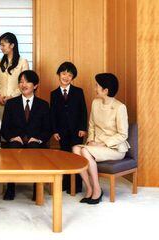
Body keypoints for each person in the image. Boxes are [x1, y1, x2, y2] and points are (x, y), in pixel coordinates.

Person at [72, 73, 129, 204]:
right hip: (96, 144)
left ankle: (97, 190)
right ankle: (90, 188)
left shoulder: (120, 107)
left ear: (106, 90)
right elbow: (91, 125)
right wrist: (90, 141)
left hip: (115, 148)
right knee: (76, 149)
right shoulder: (95, 103)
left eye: (97, 86)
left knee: (85, 151)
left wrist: (101, 144)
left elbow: (123, 134)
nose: (94, 88)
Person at [0, 70, 51, 200]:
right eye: (21, 81)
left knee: (35, 148)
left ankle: (36, 189)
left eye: (27, 81)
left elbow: (47, 129)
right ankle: (10, 188)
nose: (23, 84)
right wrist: (12, 137)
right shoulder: (11, 104)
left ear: (35, 85)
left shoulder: (43, 105)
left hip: (35, 141)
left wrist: (38, 139)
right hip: (16, 140)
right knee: (13, 147)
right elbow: (4, 127)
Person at [50, 62, 87, 193]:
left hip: (77, 131)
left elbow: (83, 111)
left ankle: (77, 185)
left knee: (77, 158)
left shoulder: (78, 92)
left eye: (70, 75)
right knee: (64, 157)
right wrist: (54, 130)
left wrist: (83, 128)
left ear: (73, 78)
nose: (66, 77)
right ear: (59, 74)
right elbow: (53, 114)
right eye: (64, 73)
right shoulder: (54, 94)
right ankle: (65, 184)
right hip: (62, 132)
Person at [0, 32, 29, 117]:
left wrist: (11, 96)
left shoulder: (23, 62)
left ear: (12, 45)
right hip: (0, 101)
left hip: (16, 101)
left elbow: (24, 84)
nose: (1, 48)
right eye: (0, 45)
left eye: (3, 45)